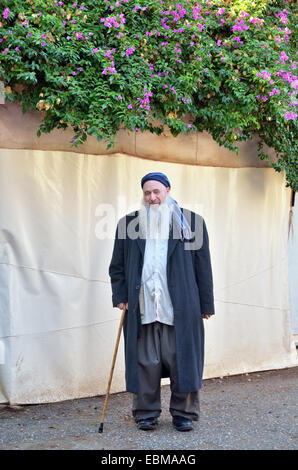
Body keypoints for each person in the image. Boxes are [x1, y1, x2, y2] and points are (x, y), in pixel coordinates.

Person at [109, 172, 215, 432]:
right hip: (143, 307)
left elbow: (203, 266)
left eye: (156, 191)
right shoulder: (128, 225)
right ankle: (145, 413)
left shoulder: (192, 223)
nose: (152, 197)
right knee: (145, 364)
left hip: (180, 306)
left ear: (167, 190)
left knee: (183, 361)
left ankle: (184, 413)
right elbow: (117, 266)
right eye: (147, 193)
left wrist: (205, 304)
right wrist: (121, 296)